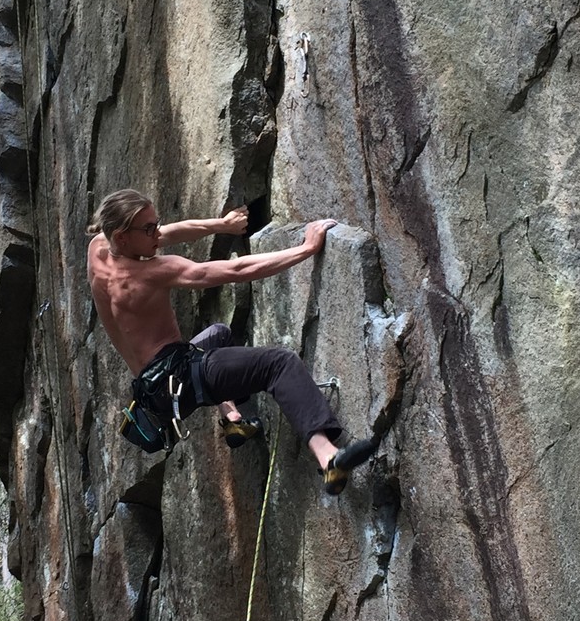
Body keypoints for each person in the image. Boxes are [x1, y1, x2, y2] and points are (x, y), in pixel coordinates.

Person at [87, 188, 378, 494]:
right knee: (279, 364)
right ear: (121, 237)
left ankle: (233, 418)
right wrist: (306, 249)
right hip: (183, 377)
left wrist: (221, 225)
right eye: (149, 229)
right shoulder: (151, 273)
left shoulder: (98, 249)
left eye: (156, 223)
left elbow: (170, 232)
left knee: (219, 334)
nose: (158, 233)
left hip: (152, 389)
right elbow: (237, 270)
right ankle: (328, 457)